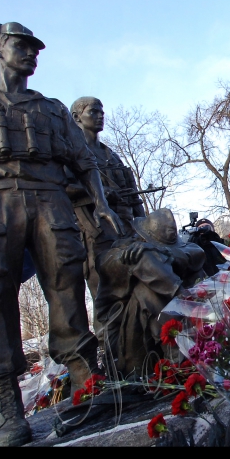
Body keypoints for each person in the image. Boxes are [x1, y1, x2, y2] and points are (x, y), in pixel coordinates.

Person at [0, 22, 124, 447]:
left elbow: (83, 161)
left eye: (36, 48)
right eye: (23, 46)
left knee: (66, 283)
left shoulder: (52, 109)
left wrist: (102, 204)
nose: (33, 54)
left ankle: (85, 382)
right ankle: (5, 404)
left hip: (48, 199)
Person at [94, 208, 206, 377]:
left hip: (161, 328)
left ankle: (192, 338)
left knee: (195, 274)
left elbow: (196, 252)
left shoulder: (175, 248)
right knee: (145, 290)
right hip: (129, 344)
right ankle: (181, 354)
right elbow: (138, 260)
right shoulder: (118, 254)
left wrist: (164, 251)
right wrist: (181, 295)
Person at [69, 96, 146, 304]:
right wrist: (99, 193)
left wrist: (145, 229)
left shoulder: (111, 155)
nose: (100, 115)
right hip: (96, 231)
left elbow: (134, 195)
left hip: (128, 230)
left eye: (102, 111)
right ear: (77, 117)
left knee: (137, 291)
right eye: (93, 111)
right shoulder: (70, 153)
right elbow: (63, 186)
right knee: (108, 295)